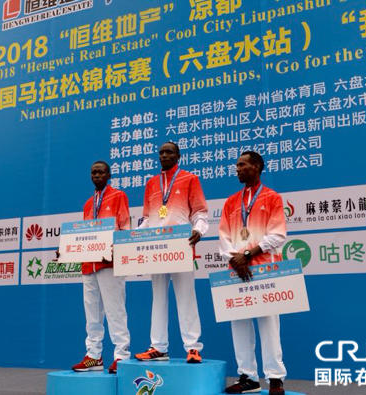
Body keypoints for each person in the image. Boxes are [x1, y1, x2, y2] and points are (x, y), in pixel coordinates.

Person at [219, 151, 286, 395]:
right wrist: (235, 259)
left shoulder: (272, 198)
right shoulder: (231, 201)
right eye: (236, 165)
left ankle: (275, 378)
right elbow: (224, 238)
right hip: (237, 271)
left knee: (269, 324)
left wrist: (247, 255)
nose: (237, 169)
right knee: (240, 324)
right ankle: (248, 376)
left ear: (256, 167)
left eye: (242, 165)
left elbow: (277, 235)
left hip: (264, 268)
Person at [134, 142, 208, 364]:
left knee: (186, 297)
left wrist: (199, 229)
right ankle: (158, 346)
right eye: (161, 153)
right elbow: (147, 219)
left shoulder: (189, 179)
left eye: (169, 152)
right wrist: (134, 237)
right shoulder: (151, 183)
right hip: (156, 248)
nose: (164, 156)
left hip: (180, 245)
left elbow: (200, 212)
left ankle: (193, 347)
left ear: (178, 156)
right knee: (158, 297)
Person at [70, 160, 131, 373]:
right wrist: (69, 250)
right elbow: (83, 235)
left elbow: (125, 227)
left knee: (115, 310)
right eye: (93, 172)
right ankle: (94, 356)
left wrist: (117, 247)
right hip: (89, 264)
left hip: (110, 263)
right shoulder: (88, 203)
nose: (97, 175)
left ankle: (121, 355)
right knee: (92, 314)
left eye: (101, 172)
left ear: (109, 175)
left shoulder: (118, 196)